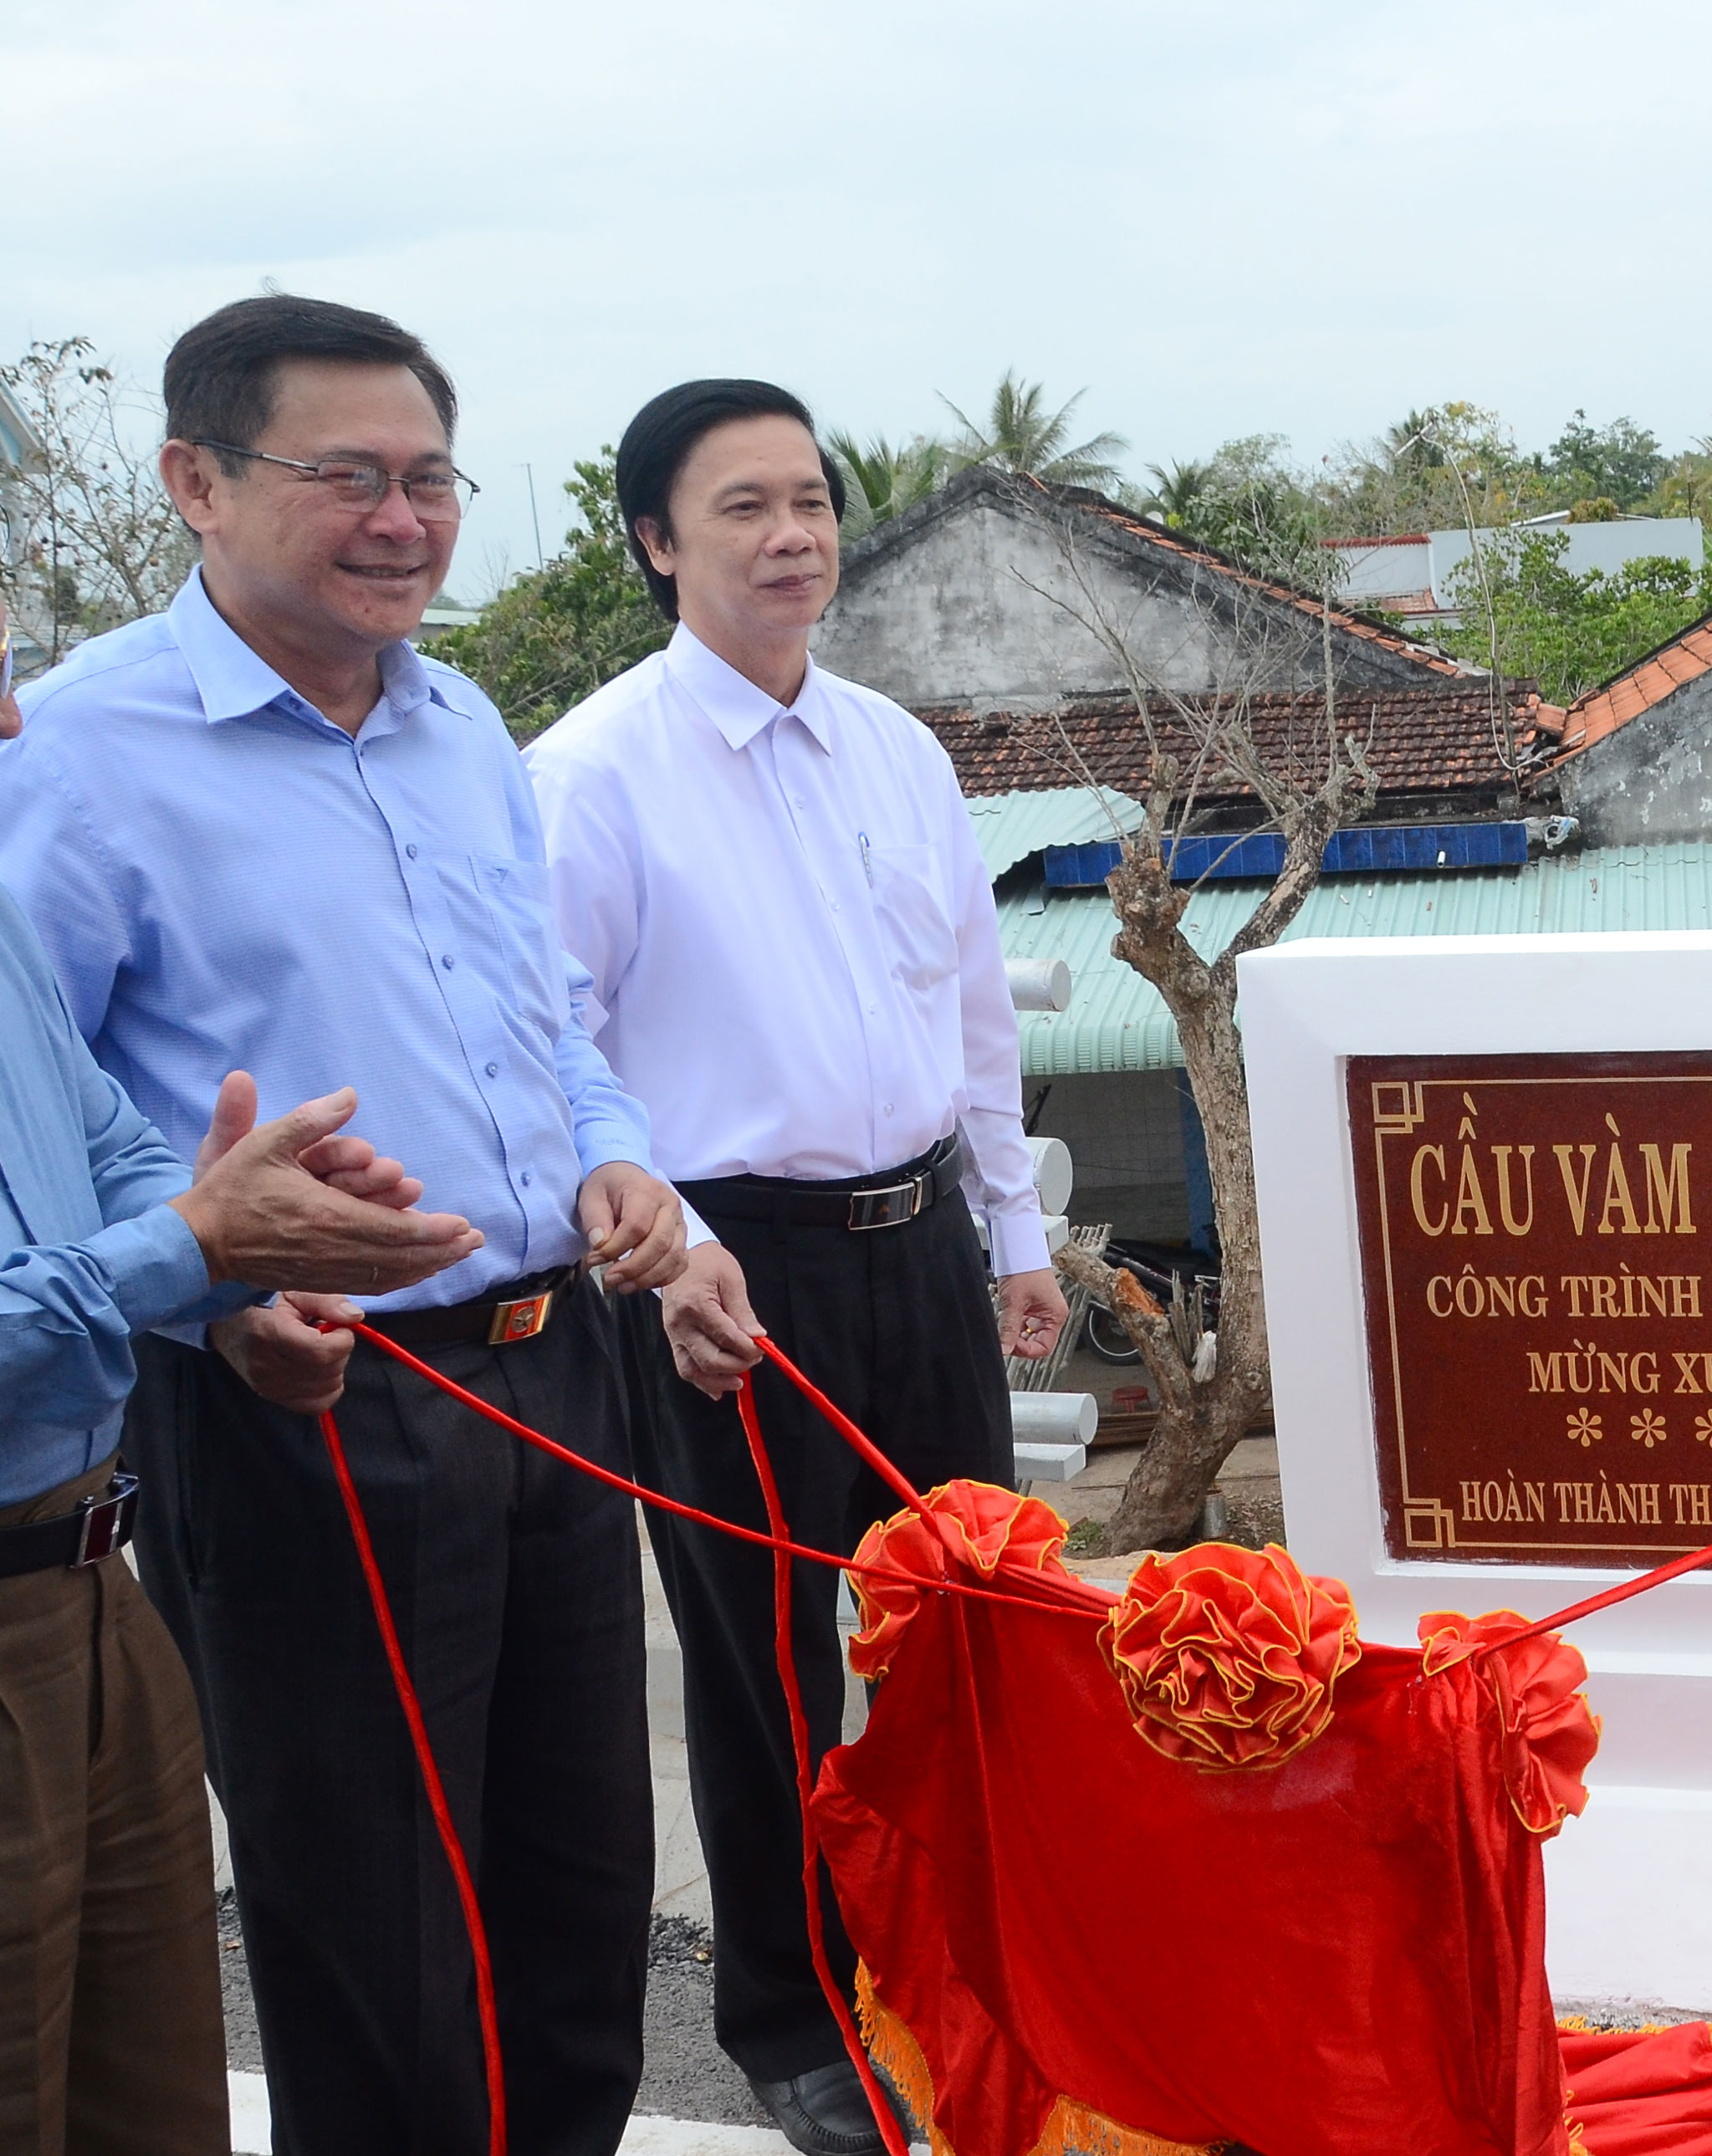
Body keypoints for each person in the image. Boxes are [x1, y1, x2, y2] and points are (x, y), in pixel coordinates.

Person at [0, 296, 700, 2154]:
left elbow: (549, 1020)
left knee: (576, 1885)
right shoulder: (72, 754)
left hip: (558, 1368)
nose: (403, 520)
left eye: (429, 479)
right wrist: (215, 1305)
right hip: (307, 1388)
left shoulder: (462, 718)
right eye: (348, 479)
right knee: (381, 1927)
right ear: (195, 484)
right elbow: (37, 1117)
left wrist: (614, 1158)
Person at [526, 379, 1061, 2155]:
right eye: (742, 506)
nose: (791, 536)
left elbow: (971, 1015)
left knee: (975, 1626)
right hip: (725, 1282)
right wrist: (666, 1244)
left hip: (917, 1246)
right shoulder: (590, 772)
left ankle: (984, 1969)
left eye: (814, 500)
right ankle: (795, 2014)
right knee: (764, 1657)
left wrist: (1016, 1234)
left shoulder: (899, 750)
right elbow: (550, 1042)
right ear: (657, 542)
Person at [0, 589, 484, 2154]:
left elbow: (111, 1145)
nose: (10, 720)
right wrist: (199, 1245)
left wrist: (235, 1278)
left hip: (88, 1585)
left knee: (146, 2099)